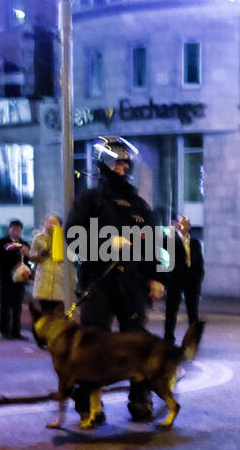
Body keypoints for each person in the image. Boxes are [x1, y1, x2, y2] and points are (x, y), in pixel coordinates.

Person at [64, 136, 165, 425]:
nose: (121, 167)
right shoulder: (89, 201)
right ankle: (90, 405)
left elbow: (151, 242)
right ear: (104, 164)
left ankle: (140, 398)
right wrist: (107, 243)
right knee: (94, 344)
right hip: (99, 280)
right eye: (116, 162)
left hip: (131, 283)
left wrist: (155, 277)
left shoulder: (138, 205)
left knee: (136, 342)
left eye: (125, 162)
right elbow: (73, 241)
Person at [164, 215, 204, 345]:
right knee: (171, 310)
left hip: (191, 281)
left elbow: (199, 262)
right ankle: (169, 338)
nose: (183, 225)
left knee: (193, 312)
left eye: (185, 223)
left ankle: (193, 339)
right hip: (175, 280)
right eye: (180, 223)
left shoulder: (195, 242)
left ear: (189, 226)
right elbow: (161, 244)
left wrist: (198, 278)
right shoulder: (172, 239)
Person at [0, 219, 30, 339]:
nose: (16, 232)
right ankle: (5, 331)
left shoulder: (24, 243)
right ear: (9, 230)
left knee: (17, 307)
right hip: (6, 279)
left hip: (20, 281)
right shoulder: (2, 242)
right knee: (5, 306)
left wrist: (28, 265)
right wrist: (5, 249)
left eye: (18, 230)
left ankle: (16, 331)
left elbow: (30, 260)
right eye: (13, 229)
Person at [29, 215, 75, 315]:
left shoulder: (65, 239)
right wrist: (40, 254)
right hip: (44, 282)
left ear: (60, 225)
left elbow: (72, 258)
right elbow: (32, 256)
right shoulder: (39, 238)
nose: (51, 224)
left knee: (59, 314)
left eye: (54, 222)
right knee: (45, 312)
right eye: (49, 221)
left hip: (59, 282)